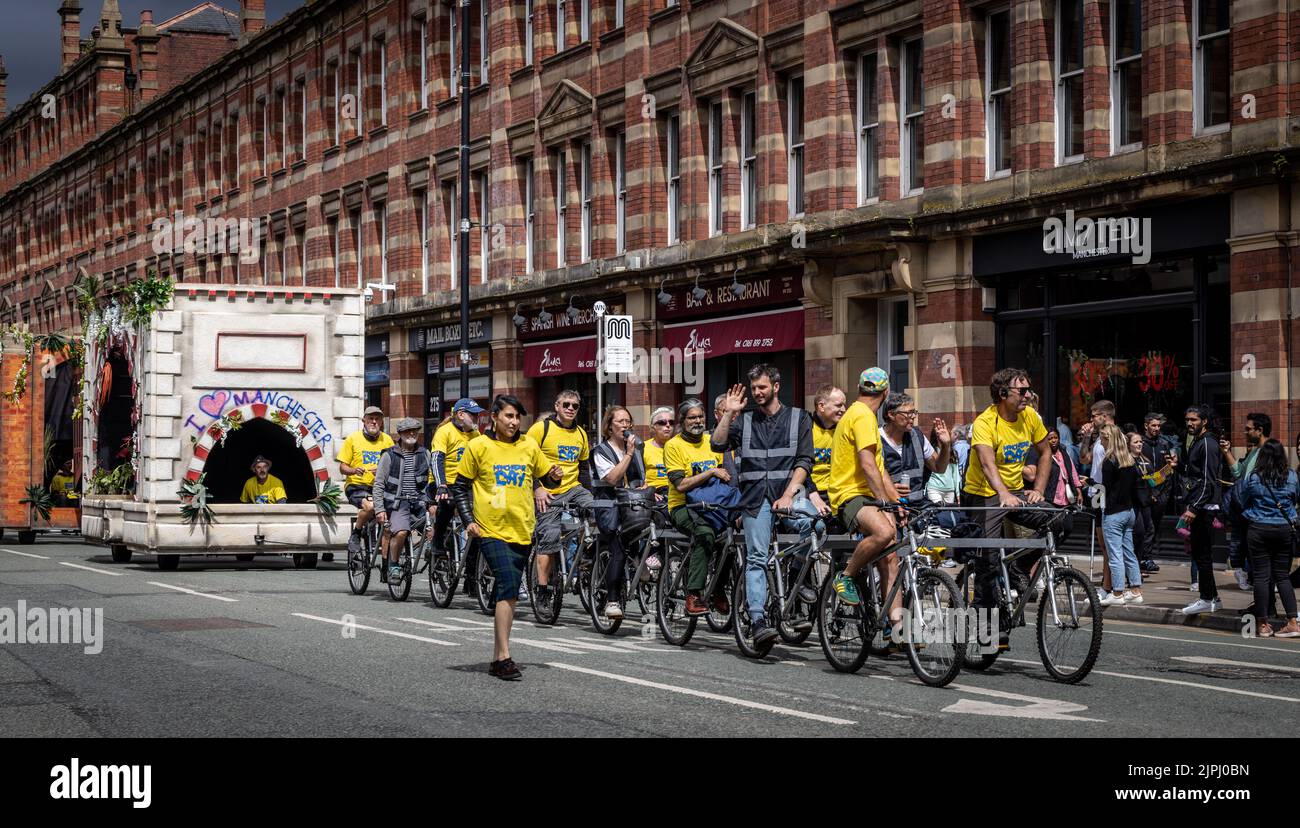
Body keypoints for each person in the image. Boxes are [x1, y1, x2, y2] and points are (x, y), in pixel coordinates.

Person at [451, 395, 564, 680]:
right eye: (509, 416)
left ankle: (496, 657)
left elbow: (545, 478)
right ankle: (504, 657)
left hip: (522, 527)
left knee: (509, 595)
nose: (514, 422)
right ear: (495, 418)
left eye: (517, 417)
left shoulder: (529, 445)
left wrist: (555, 476)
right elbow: (460, 486)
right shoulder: (478, 446)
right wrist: (468, 521)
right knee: (509, 586)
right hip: (490, 528)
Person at [712, 364, 817, 645]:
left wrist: (789, 494)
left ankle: (797, 579)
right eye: (754, 388)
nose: (757, 392)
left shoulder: (799, 418)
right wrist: (730, 413)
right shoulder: (743, 420)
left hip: (789, 495)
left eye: (762, 387)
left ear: (776, 386)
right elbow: (717, 444)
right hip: (755, 500)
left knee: (814, 526)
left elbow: (804, 460)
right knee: (757, 557)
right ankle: (757, 620)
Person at [960, 368, 1052, 633]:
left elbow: (1046, 452)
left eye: (1028, 389)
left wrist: (1038, 489)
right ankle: (983, 622)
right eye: (1021, 390)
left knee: (1061, 521)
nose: (1028, 395)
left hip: (1016, 493)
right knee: (987, 560)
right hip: (984, 495)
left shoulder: (1030, 417)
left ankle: (1019, 568)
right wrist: (1003, 494)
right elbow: (988, 465)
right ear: (1002, 393)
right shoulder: (985, 423)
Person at [827, 368, 903, 631]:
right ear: (886, 393)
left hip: (867, 495)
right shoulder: (862, 416)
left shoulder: (860, 413)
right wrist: (884, 503)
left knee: (891, 556)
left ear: (859, 388)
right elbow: (868, 464)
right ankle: (845, 576)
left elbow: (880, 469)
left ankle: (896, 627)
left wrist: (895, 503)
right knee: (884, 532)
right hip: (849, 496)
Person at [665, 398, 733, 616]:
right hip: (683, 506)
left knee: (732, 538)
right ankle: (693, 594)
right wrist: (710, 472)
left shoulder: (713, 441)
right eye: (692, 417)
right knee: (705, 533)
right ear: (682, 421)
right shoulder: (674, 445)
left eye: (700, 417)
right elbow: (680, 485)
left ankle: (718, 588)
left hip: (714, 504)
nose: (697, 421)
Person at [526, 389, 594, 607]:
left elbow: (583, 469)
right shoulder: (541, 429)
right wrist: (537, 487)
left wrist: (589, 494)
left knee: (600, 513)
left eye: (575, 406)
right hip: (547, 490)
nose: (571, 409)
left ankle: (588, 562)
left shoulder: (581, 434)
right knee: (550, 535)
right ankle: (543, 588)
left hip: (574, 488)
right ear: (557, 406)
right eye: (566, 405)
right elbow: (524, 460)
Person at [1234, 439, 1300, 637]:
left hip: (1258, 529)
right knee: (1282, 576)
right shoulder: (1292, 477)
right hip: (1284, 529)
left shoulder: (1254, 477)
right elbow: (1295, 498)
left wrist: (1253, 513)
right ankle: (1292, 622)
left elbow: (1242, 500)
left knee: (1262, 576)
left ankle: (1263, 625)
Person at [590, 405, 646, 620]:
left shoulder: (638, 450)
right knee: (619, 548)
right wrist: (629, 453)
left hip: (631, 507)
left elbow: (639, 479)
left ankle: (641, 563)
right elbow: (612, 479)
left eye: (628, 421)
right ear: (609, 427)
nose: (625, 425)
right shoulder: (601, 451)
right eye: (620, 422)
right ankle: (612, 600)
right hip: (609, 506)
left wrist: (644, 487)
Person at [429, 398, 484, 595]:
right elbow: (436, 460)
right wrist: (441, 485)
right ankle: (437, 542)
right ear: (460, 415)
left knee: (477, 524)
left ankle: (472, 576)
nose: (477, 418)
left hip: (464, 484)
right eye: (473, 414)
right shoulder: (444, 432)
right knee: (448, 501)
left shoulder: (476, 434)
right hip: (442, 481)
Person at [372, 418, 432, 585]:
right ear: (400, 434)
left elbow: (431, 480)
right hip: (398, 503)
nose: (412, 434)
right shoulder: (389, 455)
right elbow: (378, 484)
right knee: (401, 532)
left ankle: (433, 555)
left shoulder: (425, 454)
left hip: (420, 502)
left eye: (414, 430)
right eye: (407, 431)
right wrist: (379, 509)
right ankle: (393, 565)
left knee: (436, 528)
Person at [1180, 404, 1225, 615]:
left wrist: (1194, 508)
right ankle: (1212, 597)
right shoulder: (1199, 442)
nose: (1189, 423)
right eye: (1188, 419)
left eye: (1194, 420)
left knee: (1202, 554)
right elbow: (1194, 473)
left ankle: (1207, 598)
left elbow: (1208, 481)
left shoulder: (1207, 443)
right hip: (1200, 504)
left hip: (1204, 507)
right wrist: (1178, 467)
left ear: (1204, 421)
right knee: (1200, 553)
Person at [1221, 412, 1271, 591]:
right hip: (1248, 511)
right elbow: (1239, 472)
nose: (1245, 432)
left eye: (1248, 429)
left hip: (1260, 512)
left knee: (1259, 556)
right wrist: (1227, 452)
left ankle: (1266, 605)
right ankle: (1261, 603)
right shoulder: (1255, 450)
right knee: (1250, 553)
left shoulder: (1269, 452)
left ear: (1260, 430)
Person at [337, 406, 394, 557]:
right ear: (364, 421)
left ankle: (387, 560)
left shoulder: (387, 440)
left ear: (381, 422)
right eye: (371, 419)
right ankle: (356, 533)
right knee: (370, 507)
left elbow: (395, 465)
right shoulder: (353, 439)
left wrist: (383, 471)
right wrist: (354, 470)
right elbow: (342, 467)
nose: (374, 422)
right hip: (357, 486)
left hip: (380, 487)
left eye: (377, 419)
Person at [879, 392, 951, 505]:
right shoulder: (876, 439)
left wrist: (946, 445)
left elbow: (939, 468)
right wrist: (889, 490)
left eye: (914, 412)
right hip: (888, 508)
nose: (913, 417)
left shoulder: (917, 436)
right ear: (891, 415)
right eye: (908, 413)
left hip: (918, 508)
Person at [1097, 425, 1143, 606]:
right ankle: (1136, 591)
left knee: (1115, 555)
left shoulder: (1109, 461)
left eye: (1101, 438)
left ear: (1108, 439)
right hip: (1129, 512)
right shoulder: (1129, 460)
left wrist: (1090, 488)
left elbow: (1106, 490)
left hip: (1113, 513)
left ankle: (1117, 593)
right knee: (1129, 552)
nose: (1100, 442)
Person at [1139, 413, 1179, 570]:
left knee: (1154, 527)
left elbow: (1168, 470)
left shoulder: (1164, 445)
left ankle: (1147, 557)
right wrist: (1148, 492)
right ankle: (1143, 558)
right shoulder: (1140, 444)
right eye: (1153, 425)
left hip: (1160, 494)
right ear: (1146, 426)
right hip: (1144, 494)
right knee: (1146, 528)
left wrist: (1162, 493)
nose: (1156, 429)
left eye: (1158, 426)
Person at [810, 385, 847, 518]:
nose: (843, 410)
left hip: (839, 492)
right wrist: (812, 494)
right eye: (838, 405)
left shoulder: (845, 430)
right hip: (810, 492)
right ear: (821, 406)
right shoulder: (806, 429)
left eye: (844, 405)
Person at [1128, 431, 1158, 576]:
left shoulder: (1145, 460)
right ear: (1128, 445)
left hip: (1146, 502)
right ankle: (1132, 569)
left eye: (1141, 442)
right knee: (1137, 534)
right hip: (1133, 503)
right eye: (1135, 442)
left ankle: (1138, 566)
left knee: (1146, 533)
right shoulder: (1127, 461)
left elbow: (1153, 480)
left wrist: (1168, 470)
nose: (1139, 444)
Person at [642, 406, 676, 499]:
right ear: (653, 427)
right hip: (654, 494)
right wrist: (647, 493)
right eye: (662, 422)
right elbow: (635, 480)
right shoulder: (643, 448)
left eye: (671, 422)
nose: (668, 425)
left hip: (677, 492)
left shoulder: (680, 446)